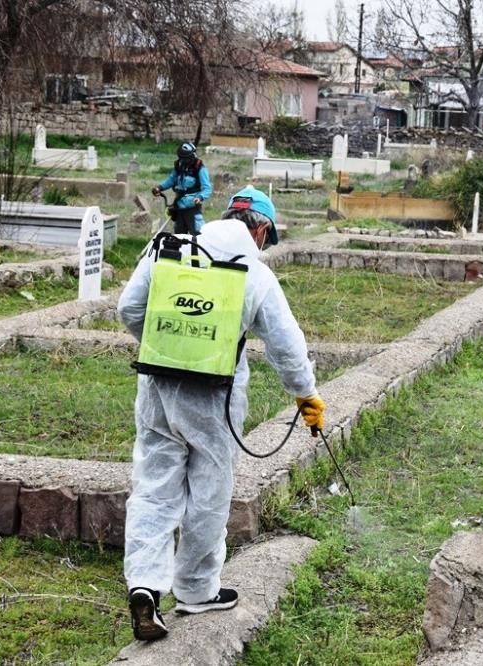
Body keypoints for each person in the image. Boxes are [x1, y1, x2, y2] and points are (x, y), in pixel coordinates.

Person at [117, 185, 325, 641]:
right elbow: (287, 349)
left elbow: (129, 308)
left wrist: (167, 346)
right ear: (262, 229)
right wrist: (306, 399)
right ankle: (195, 589)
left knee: (154, 488)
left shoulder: (168, 247)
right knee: (210, 490)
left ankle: (145, 586)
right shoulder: (253, 272)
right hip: (215, 399)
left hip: (159, 391)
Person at [152, 142, 213, 235]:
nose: (185, 160)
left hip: (193, 208)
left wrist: (200, 197)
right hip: (179, 208)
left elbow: (207, 188)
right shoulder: (179, 166)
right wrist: (160, 187)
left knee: (197, 236)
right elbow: (172, 180)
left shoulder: (199, 168)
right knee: (179, 237)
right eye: (182, 158)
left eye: (188, 157)